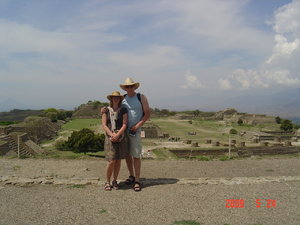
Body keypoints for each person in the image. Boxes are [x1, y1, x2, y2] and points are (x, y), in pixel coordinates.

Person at [120, 78, 150, 191]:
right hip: (124, 130)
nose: (129, 88)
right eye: (127, 86)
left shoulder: (141, 97)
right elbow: (114, 108)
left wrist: (137, 126)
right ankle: (131, 175)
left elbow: (147, 114)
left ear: (134, 87)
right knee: (127, 154)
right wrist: (104, 109)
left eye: (131, 86)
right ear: (125, 88)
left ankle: (137, 179)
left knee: (136, 155)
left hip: (135, 130)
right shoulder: (123, 98)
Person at [102, 91, 129, 191]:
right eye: (114, 97)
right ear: (111, 99)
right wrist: (111, 134)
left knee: (118, 160)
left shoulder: (123, 110)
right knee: (111, 161)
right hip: (110, 137)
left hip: (120, 137)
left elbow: (125, 124)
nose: (116, 99)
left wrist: (117, 134)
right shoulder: (106, 110)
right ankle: (107, 181)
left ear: (120, 99)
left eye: (117, 97)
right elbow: (104, 125)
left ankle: (115, 180)